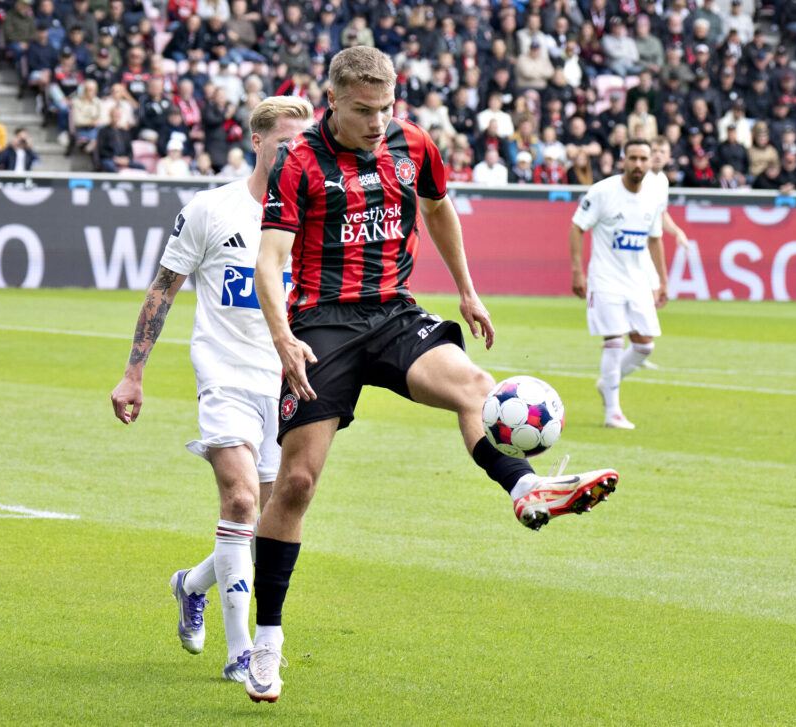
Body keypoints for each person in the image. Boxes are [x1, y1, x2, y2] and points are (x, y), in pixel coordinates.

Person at [247, 46, 619, 703]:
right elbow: (270, 257)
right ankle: (267, 640)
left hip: (392, 312)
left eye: (385, 107)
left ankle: (526, 487)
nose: (376, 120)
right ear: (331, 100)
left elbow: (439, 209)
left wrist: (468, 290)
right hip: (321, 324)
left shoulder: (412, 143)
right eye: (362, 110)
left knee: (477, 387)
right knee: (299, 480)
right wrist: (282, 336)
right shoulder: (299, 162)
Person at [110, 97, 315, 685]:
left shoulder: (311, 216)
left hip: (288, 381)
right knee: (242, 503)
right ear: (257, 142)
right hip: (224, 375)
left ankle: (192, 583)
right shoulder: (211, 209)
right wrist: (134, 371)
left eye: (304, 145)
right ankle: (242, 650)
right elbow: (162, 290)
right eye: (285, 143)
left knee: (270, 522)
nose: (296, 153)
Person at [569, 139, 668, 430]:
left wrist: (661, 281)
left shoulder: (653, 196)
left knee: (644, 346)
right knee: (613, 342)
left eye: (644, 159)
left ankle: (607, 383)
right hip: (605, 279)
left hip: (637, 281)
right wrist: (578, 271)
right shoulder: (603, 192)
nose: (638, 164)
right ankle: (613, 412)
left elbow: (654, 239)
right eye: (633, 158)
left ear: (650, 162)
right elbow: (577, 227)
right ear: (622, 160)